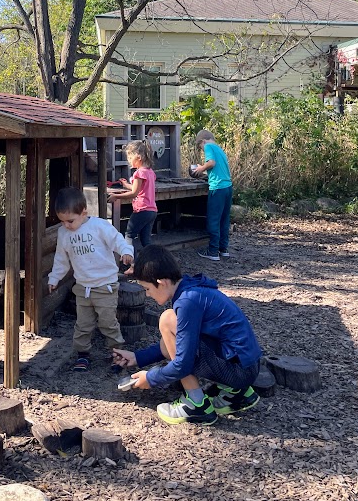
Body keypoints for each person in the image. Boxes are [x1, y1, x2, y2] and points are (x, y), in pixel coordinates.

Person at [113, 245, 262, 426]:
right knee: (172, 329)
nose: (147, 294)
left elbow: (183, 363)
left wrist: (151, 378)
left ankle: (195, 404)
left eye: (147, 289)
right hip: (246, 367)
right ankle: (238, 395)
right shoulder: (190, 290)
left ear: (162, 283)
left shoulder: (187, 302)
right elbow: (176, 343)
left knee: (167, 320)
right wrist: (138, 358)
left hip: (239, 372)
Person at [48, 186, 134, 372]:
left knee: (108, 323)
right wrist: (54, 278)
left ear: (84, 212)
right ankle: (83, 355)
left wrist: (126, 251)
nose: (67, 225)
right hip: (83, 287)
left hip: (106, 286)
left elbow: (117, 240)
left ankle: (118, 354)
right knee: (83, 325)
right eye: (62, 222)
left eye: (70, 220)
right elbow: (61, 259)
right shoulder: (64, 234)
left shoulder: (100, 226)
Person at [192, 128, 232, 261]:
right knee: (224, 219)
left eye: (200, 147)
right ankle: (223, 249)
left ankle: (213, 251)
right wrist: (205, 172)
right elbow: (217, 168)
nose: (202, 150)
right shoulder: (220, 149)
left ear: (202, 141)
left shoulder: (208, 146)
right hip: (228, 187)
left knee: (213, 219)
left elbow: (211, 163)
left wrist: (200, 168)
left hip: (218, 188)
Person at [110, 139, 158, 253]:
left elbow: (134, 193)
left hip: (142, 210)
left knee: (129, 236)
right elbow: (137, 188)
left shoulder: (139, 173)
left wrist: (116, 196)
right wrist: (126, 184)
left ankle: (132, 264)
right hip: (152, 211)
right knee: (146, 241)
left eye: (130, 157)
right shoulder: (150, 172)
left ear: (138, 157)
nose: (128, 160)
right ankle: (153, 263)